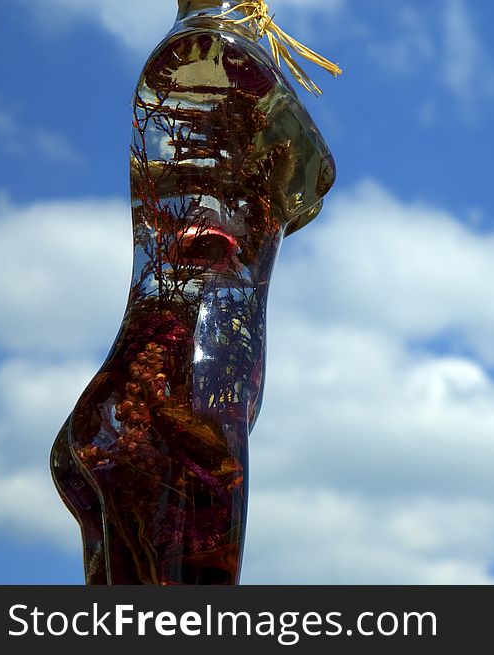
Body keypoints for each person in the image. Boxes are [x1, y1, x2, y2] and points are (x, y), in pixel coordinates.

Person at [50, 0, 337, 584]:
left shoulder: (204, 62)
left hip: (149, 384)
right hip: (184, 396)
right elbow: (316, 173)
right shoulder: (221, 56)